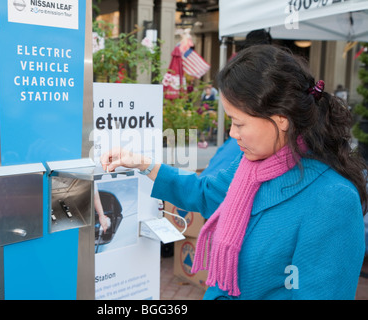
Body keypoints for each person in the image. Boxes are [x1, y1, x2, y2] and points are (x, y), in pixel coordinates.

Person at [101, 45, 367, 300]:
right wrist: (143, 164)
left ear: (281, 120)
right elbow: (204, 193)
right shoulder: (249, 167)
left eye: (239, 123)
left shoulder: (333, 200)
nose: (231, 133)